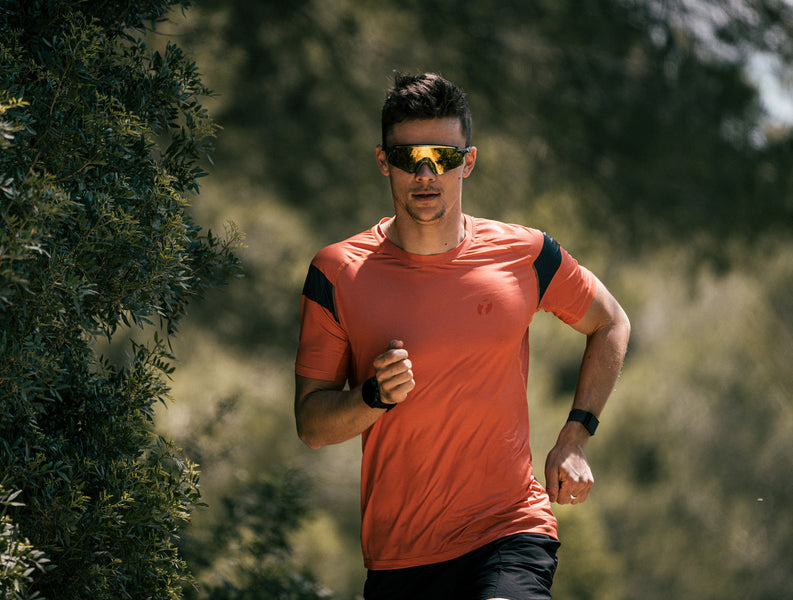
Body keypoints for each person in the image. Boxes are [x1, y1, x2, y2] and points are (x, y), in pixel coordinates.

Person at [294, 72, 630, 600]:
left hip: (509, 529)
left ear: (467, 162)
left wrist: (575, 437)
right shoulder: (337, 272)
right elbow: (311, 424)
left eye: (443, 157)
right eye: (408, 158)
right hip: (400, 557)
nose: (425, 174)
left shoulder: (527, 254)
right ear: (384, 161)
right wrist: (372, 397)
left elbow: (611, 322)